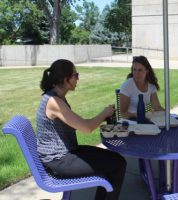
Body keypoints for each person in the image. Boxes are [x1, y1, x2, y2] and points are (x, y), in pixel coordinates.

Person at [36, 59, 126, 200]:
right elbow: (86, 128)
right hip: (59, 161)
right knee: (118, 164)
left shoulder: (56, 97)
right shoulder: (54, 102)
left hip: (67, 152)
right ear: (65, 79)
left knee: (115, 159)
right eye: (75, 75)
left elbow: (80, 123)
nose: (78, 78)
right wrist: (104, 113)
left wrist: (103, 116)